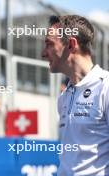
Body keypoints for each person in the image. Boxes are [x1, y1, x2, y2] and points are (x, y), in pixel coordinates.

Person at [42, 15, 109, 175]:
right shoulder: (64, 97)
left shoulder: (105, 86)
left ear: (71, 44)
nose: (43, 53)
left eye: (49, 44)